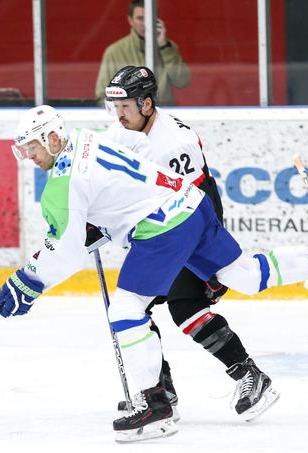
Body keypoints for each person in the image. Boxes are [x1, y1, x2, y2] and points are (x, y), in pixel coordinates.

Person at [0, 104, 308, 442]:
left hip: (163, 226)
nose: (29, 156)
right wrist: (101, 224)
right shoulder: (86, 139)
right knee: (245, 275)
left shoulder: (62, 182)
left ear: (53, 138)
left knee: (126, 310)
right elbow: (113, 190)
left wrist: (27, 281)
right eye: (24, 149)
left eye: (32, 146)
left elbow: (66, 248)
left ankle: (155, 406)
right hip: (191, 203)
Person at [100, 65, 272, 421]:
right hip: (158, 230)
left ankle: (249, 375)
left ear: (147, 104)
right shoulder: (120, 135)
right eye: (115, 107)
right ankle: (159, 391)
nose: (119, 115)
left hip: (190, 225)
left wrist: (207, 263)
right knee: (135, 308)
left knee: (185, 305)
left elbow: (193, 202)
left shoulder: (175, 141)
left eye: (126, 107)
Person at [95, 0, 191, 106]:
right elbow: (103, 96)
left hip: (162, 115)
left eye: (149, 18)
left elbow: (183, 82)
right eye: (140, 18)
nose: (145, 23)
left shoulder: (168, 47)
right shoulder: (114, 51)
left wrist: (164, 47)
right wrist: (124, 112)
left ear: (157, 19)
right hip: (130, 118)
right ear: (130, 20)